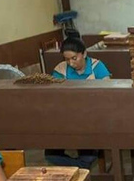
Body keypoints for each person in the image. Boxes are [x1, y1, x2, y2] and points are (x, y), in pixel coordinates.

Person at [47, 37, 111, 168]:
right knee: (50, 155)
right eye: (67, 59)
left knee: (87, 157)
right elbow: (55, 98)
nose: (70, 63)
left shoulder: (97, 67)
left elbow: (108, 95)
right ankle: (79, 168)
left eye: (74, 58)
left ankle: (78, 167)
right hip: (66, 121)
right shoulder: (61, 70)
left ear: (84, 54)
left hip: (92, 121)